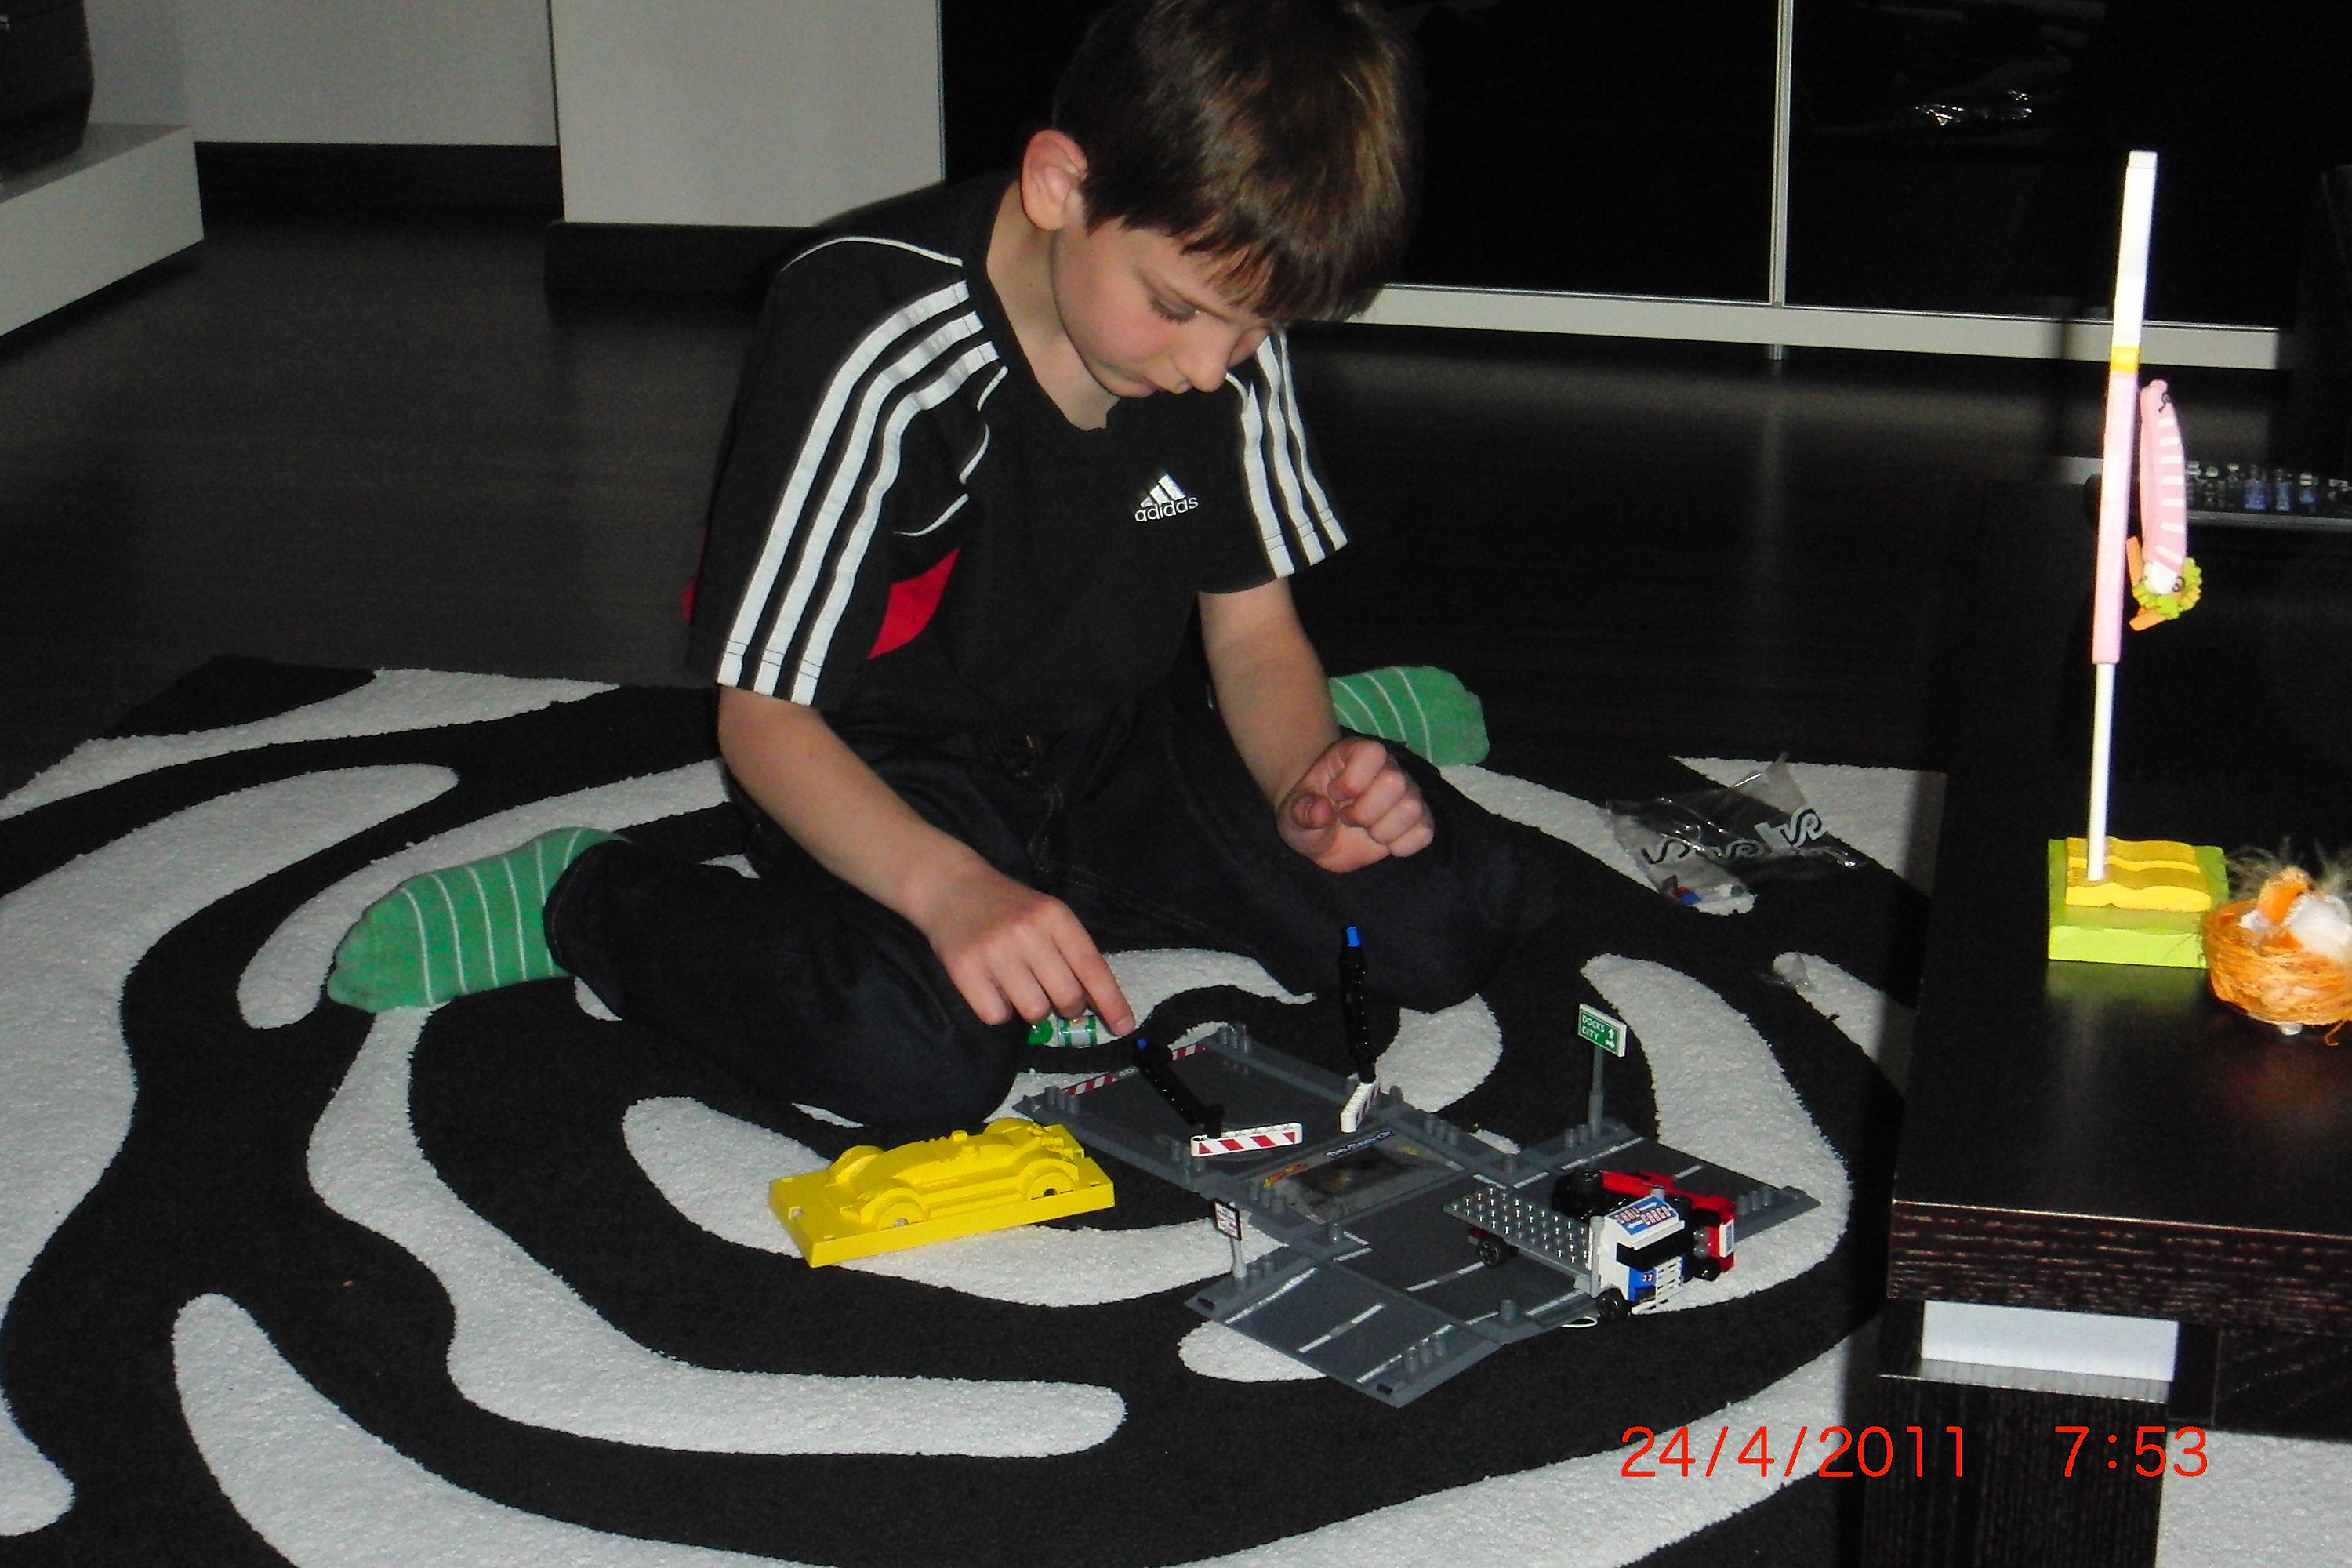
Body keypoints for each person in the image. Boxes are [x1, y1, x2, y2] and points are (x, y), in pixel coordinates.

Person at [328, 0, 1529, 1143]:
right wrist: (951, 890)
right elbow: (763, 721)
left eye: (1258, 331)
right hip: (887, 767)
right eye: (1178, 310)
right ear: (1060, 186)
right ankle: (591, 900)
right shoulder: (866, 334)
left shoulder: (1217, 321)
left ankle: (1315, 745)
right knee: (918, 1057)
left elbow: (1253, 636)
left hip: (1117, 734)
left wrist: (1302, 780)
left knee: (1448, 916)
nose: (1214, 369)